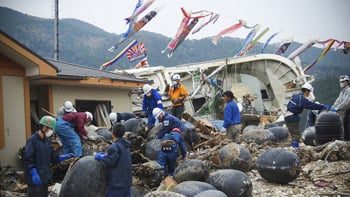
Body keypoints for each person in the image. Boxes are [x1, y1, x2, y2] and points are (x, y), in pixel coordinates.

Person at [24, 116, 75, 197]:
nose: (50, 131)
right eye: (49, 128)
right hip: (34, 179)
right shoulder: (32, 140)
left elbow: (52, 157)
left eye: (52, 129)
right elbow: (28, 159)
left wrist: (63, 157)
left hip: (44, 177)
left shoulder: (47, 141)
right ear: (42, 127)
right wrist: (33, 173)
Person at [95, 123, 132, 197]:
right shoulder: (126, 146)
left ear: (112, 133)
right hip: (127, 182)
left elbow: (110, 162)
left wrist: (101, 157)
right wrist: (107, 155)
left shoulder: (114, 146)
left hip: (117, 184)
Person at [332, 75, 350, 140]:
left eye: (343, 81)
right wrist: (333, 107)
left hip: (348, 111)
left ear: (347, 82)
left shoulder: (348, 90)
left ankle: (347, 139)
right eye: (340, 82)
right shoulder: (342, 91)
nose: (341, 83)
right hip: (343, 112)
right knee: (343, 125)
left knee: (347, 125)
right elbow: (338, 100)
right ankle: (344, 138)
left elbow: (346, 102)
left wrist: (337, 108)